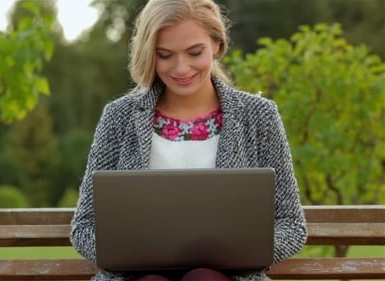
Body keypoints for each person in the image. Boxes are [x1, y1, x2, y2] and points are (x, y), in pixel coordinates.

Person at [70, 0, 308, 280]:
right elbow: (84, 226)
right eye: (165, 55)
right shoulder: (119, 117)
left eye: (195, 52)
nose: (181, 68)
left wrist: (242, 255)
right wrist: (130, 256)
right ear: (149, 54)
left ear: (217, 45)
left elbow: (291, 225)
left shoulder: (259, 116)